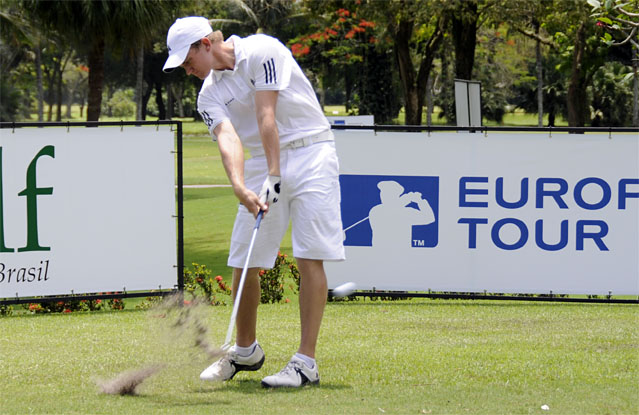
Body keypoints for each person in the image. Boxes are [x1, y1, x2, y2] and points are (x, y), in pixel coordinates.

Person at [163, 16, 345, 388]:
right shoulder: (207, 94)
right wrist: (240, 186)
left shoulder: (263, 49)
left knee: (309, 254)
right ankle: (245, 351)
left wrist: (275, 174)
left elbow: (267, 114)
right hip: (264, 163)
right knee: (243, 258)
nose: (186, 69)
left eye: (187, 59)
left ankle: (305, 362)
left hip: (311, 150)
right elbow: (229, 138)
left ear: (205, 43)